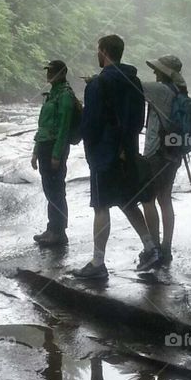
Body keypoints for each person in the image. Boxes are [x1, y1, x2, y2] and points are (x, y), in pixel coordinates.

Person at [77, 33, 159, 279]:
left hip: (104, 155)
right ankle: (151, 248)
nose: (97, 53)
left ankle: (98, 264)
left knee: (101, 207)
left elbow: (90, 124)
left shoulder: (96, 85)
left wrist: (88, 143)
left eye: (98, 50)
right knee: (127, 201)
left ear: (103, 51)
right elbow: (137, 121)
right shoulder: (134, 81)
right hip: (128, 152)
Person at [140, 54, 188, 266]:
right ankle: (166, 248)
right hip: (174, 152)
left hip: (157, 153)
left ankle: (154, 248)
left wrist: (96, 79)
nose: (154, 71)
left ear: (165, 72)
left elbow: (130, 83)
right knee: (165, 199)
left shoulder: (160, 90)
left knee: (148, 200)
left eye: (157, 69)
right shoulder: (178, 91)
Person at [30, 59, 75, 246]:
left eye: (52, 71)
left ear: (62, 73)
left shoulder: (65, 95)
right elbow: (43, 125)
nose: (48, 75)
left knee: (56, 190)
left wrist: (57, 154)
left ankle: (59, 232)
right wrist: (35, 151)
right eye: (48, 71)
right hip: (44, 145)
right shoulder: (52, 94)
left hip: (54, 147)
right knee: (49, 190)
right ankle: (52, 228)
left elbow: (64, 126)